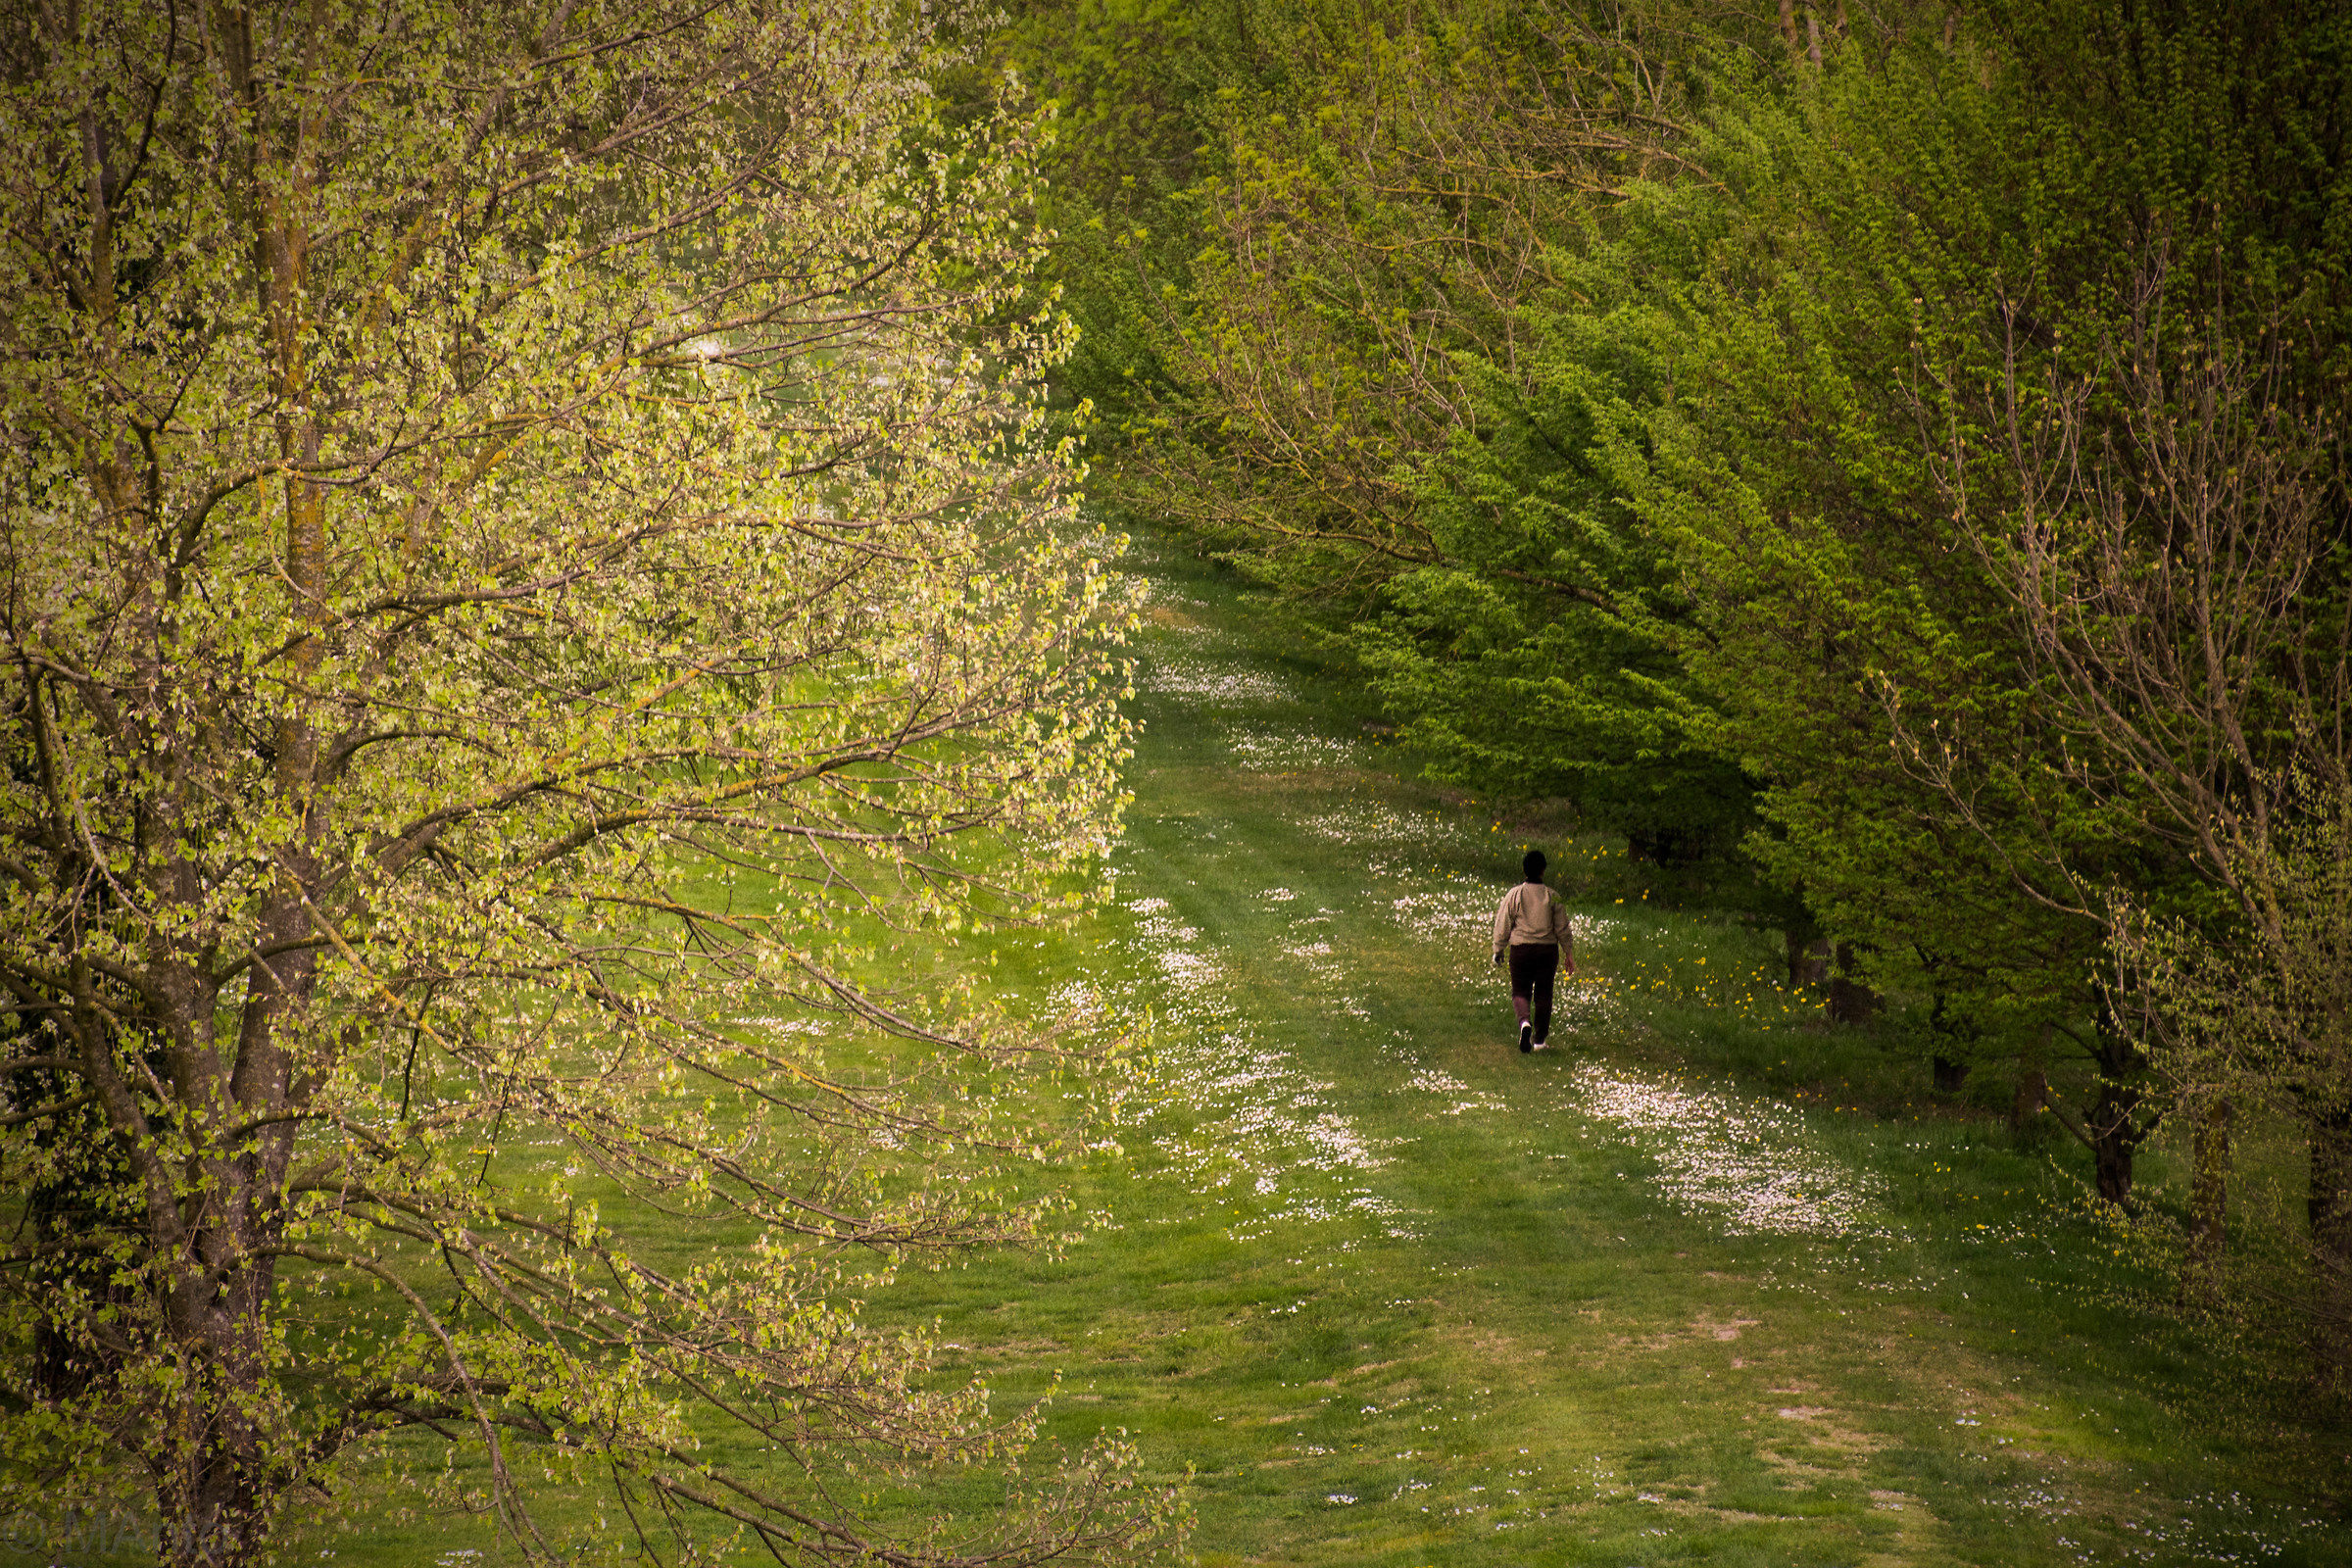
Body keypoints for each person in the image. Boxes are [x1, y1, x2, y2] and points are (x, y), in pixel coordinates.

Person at [1492, 849, 1575, 1053]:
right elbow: (1562, 927)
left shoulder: (1515, 894)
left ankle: (1524, 1023)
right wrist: (1568, 953)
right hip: (1547, 951)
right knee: (1544, 994)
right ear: (1543, 870)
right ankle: (1539, 1041)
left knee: (1520, 991)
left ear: (1524, 869)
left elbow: (1503, 923)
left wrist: (1498, 949)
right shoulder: (1552, 896)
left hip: (1521, 950)